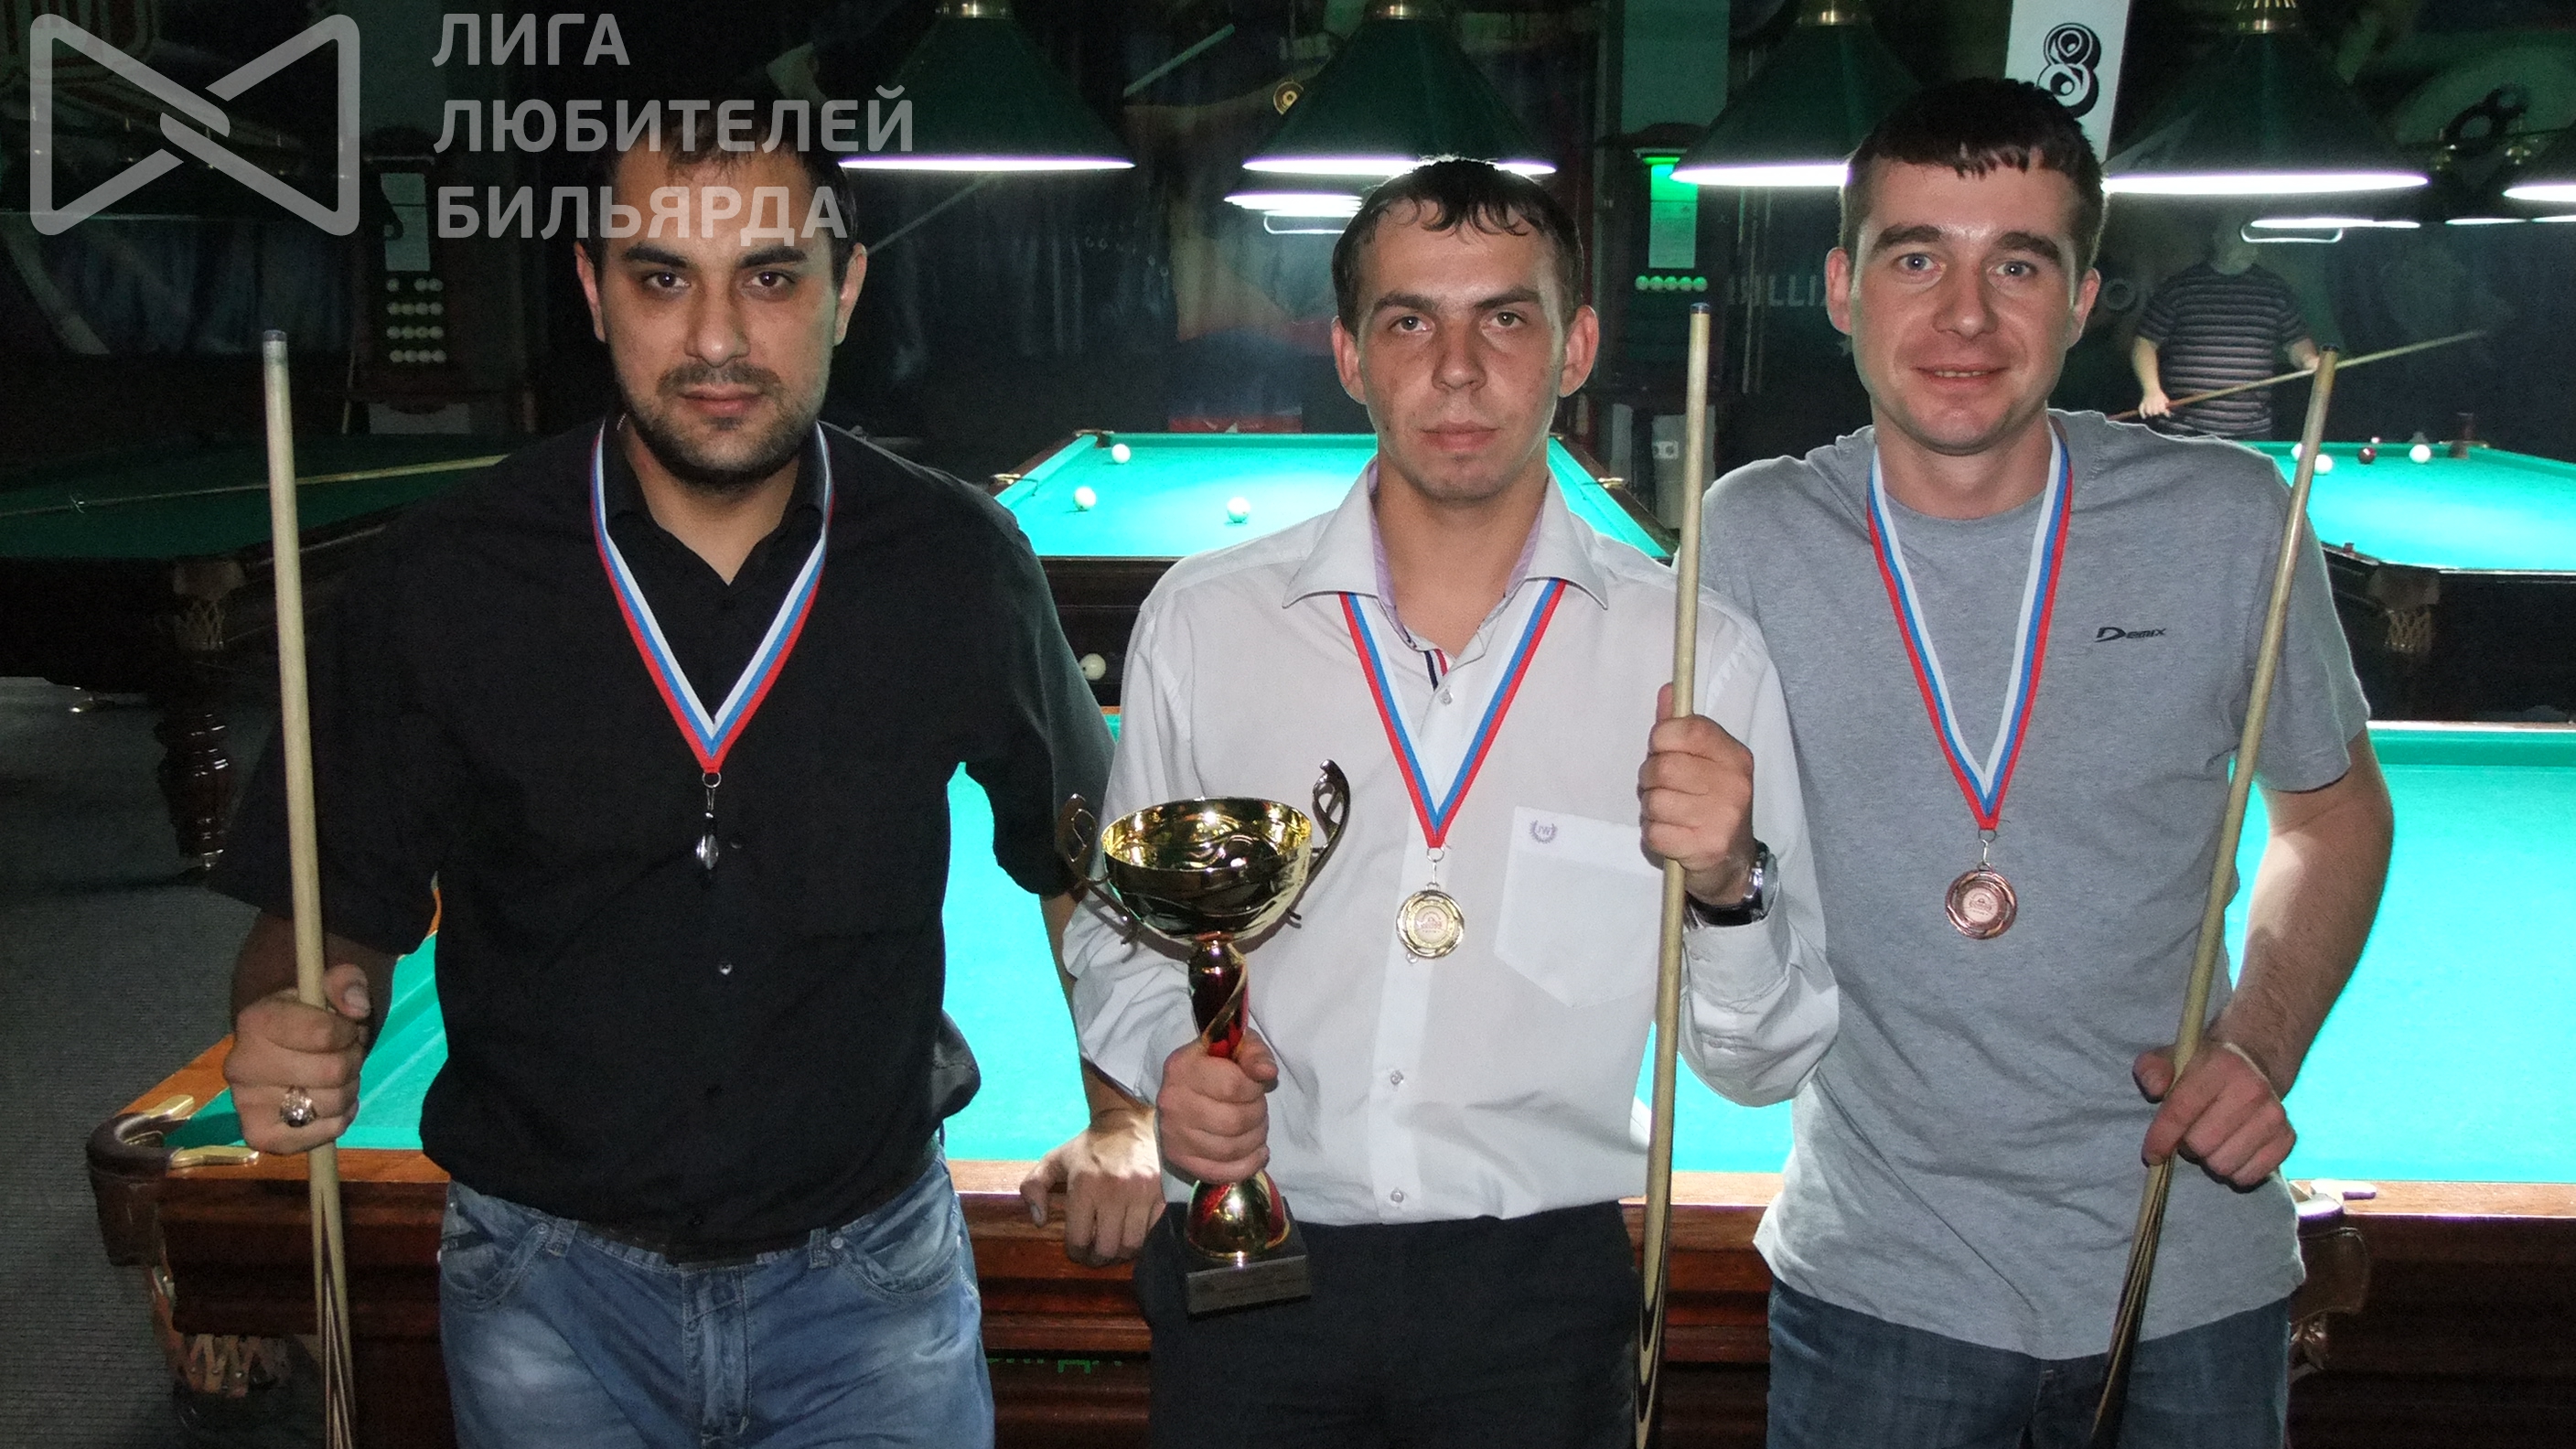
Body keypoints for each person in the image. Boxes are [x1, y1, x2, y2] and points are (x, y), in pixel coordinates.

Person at [212, 110, 1162, 1448]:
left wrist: (1123, 1112)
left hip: (870, 1285)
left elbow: (1087, 868)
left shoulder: (955, 562)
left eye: (768, 277)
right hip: (544, 1292)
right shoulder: (442, 579)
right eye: (663, 278)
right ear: (594, 290)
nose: (717, 340)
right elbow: (320, 919)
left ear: (846, 289)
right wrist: (292, 1021)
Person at [1065, 160, 1837, 1448]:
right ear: (1349, 356)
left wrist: (1727, 888)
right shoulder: (1205, 621)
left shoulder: (1697, 657)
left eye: (1505, 318)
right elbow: (1123, 944)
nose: (1459, 368)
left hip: (1538, 1304)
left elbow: (1760, 1066)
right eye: (1410, 320)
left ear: (1575, 347)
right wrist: (1167, 1069)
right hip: (1254, 1267)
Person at [1701, 80, 2393, 1448]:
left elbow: (2330, 812)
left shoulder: (2226, 518)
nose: (1965, 317)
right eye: (1916, 259)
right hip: (1878, 1284)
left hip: (2184, 1272)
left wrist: (2261, 1046)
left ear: (2080, 302)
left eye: (2016, 266)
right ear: (1843, 288)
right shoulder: (1752, 535)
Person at [2131, 213, 2321, 438]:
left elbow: (2296, 341)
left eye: (2254, 241)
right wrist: (2152, 391)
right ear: (2218, 238)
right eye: (2241, 239)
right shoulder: (2181, 288)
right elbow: (2145, 343)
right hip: (2185, 431)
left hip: (2251, 433)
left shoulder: (2274, 290)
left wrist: (2309, 360)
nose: (2251, 249)